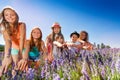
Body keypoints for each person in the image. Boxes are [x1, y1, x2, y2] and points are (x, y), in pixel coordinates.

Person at [0, 7, 27, 77]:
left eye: (12, 14)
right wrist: (7, 56)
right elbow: (8, 41)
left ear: (16, 15)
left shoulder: (22, 25)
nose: (9, 16)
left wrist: (21, 54)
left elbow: (22, 40)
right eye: (6, 15)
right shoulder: (3, 26)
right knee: (10, 63)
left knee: (20, 64)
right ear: (4, 17)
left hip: (24, 47)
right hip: (13, 48)